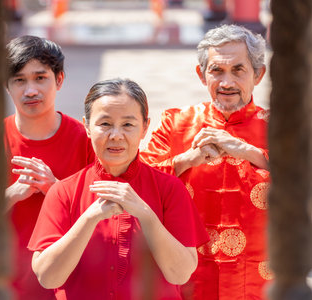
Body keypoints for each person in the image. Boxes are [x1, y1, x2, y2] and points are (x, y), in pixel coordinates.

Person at [28, 78, 209, 299]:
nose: (115, 135)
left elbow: (180, 274)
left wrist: (145, 214)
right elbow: (48, 278)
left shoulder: (169, 188)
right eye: (104, 124)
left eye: (128, 124)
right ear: (86, 126)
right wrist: (88, 219)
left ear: (144, 128)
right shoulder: (63, 191)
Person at [0, 35, 95, 299]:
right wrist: (11, 195)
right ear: (7, 85)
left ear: (59, 80)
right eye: (19, 80)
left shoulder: (86, 140)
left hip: (70, 290)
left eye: (40, 78)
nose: (30, 91)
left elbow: (111, 226)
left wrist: (56, 191)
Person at [140, 24, 271, 299]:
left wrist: (249, 151)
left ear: (258, 74)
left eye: (238, 70)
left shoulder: (280, 128)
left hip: (262, 281)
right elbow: (139, 182)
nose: (226, 83)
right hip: (190, 277)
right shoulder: (175, 123)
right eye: (217, 71)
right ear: (201, 75)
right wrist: (188, 159)